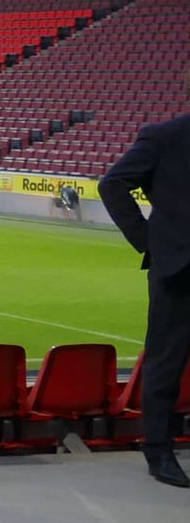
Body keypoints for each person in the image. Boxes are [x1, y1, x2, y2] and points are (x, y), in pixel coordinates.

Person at [101, 80, 190, 488]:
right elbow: (113, 183)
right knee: (165, 364)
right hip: (179, 269)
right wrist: (148, 241)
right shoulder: (164, 137)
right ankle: (159, 453)